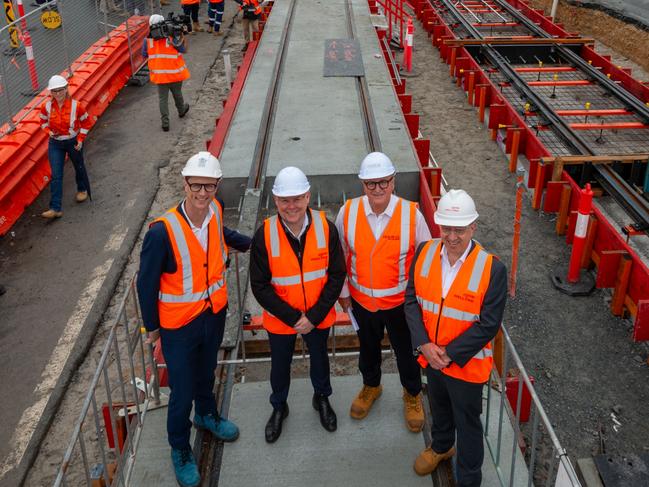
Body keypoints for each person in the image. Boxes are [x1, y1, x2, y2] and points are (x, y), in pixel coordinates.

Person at [137, 152, 251, 487]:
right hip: (178, 326)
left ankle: (207, 415)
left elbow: (222, 236)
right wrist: (152, 327)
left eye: (209, 186)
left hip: (213, 314)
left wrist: (252, 244)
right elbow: (146, 283)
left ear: (216, 186)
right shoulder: (161, 232)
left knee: (205, 373)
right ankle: (179, 448)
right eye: (196, 186)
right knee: (181, 390)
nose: (203, 193)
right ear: (185, 184)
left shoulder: (214, 210)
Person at [405, 189, 507, 486]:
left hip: (466, 366)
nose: (452, 236)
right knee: (438, 405)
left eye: (459, 229)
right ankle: (441, 446)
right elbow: (411, 300)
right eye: (447, 228)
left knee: (468, 423)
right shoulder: (424, 252)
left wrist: (448, 353)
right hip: (431, 358)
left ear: (473, 227)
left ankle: (469, 479)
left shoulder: (492, 268)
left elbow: (488, 324)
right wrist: (425, 344)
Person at [335, 152, 431, 432]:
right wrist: (343, 292)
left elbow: (425, 260)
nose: (377, 189)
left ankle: (412, 394)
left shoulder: (411, 215)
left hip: (401, 304)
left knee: (407, 352)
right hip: (362, 301)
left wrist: (420, 302)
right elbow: (339, 254)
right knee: (368, 349)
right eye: (371, 183)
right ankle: (371, 386)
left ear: (393, 182)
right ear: (363, 184)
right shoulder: (348, 212)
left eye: (383, 182)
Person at [249, 166, 346, 443]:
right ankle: (279, 406)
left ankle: (322, 398)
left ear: (307, 197)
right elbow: (260, 286)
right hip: (283, 320)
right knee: (279, 365)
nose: (291, 206)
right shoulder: (264, 235)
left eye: (297, 199)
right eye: (284, 200)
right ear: (275, 201)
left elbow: (337, 274)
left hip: (317, 316)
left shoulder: (326, 228)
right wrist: (293, 317)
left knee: (320, 360)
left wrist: (314, 316)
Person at [39, 75, 92, 219]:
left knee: (78, 166)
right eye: (54, 91)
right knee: (56, 175)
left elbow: (86, 123)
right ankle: (55, 208)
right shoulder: (46, 106)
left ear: (66, 89)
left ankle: (82, 189)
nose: (58, 94)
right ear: (50, 92)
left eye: (60, 90)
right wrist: (49, 132)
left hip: (73, 142)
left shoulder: (77, 106)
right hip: (55, 144)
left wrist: (80, 139)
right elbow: (42, 122)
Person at [142, 14, 190, 132]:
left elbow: (144, 55)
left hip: (160, 76)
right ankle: (181, 111)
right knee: (177, 94)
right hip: (175, 74)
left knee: (162, 99)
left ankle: (165, 124)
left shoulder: (147, 41)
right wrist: (183, 35)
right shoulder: (171, 38)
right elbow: (184, 50)